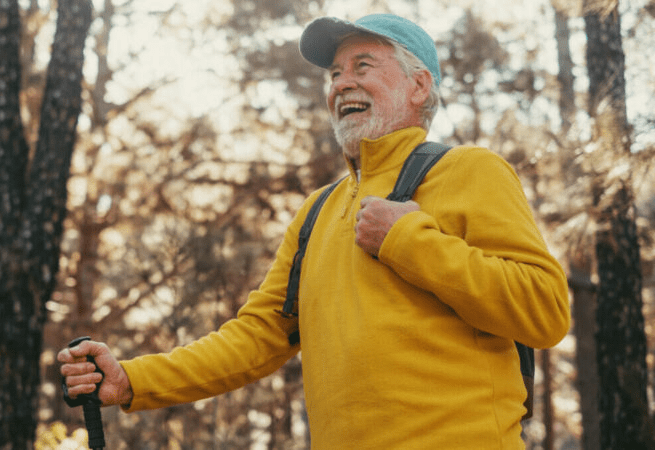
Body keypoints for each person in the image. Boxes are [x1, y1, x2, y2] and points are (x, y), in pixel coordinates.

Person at [59, 13, 571, 448]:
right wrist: (132, 379)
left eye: (363, 66)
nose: (341, 83)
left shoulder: (469, 170)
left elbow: (545, 309)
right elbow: (257, 336)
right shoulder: (317, 212)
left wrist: (408, 241)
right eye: (334, 73)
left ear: (419, 86)